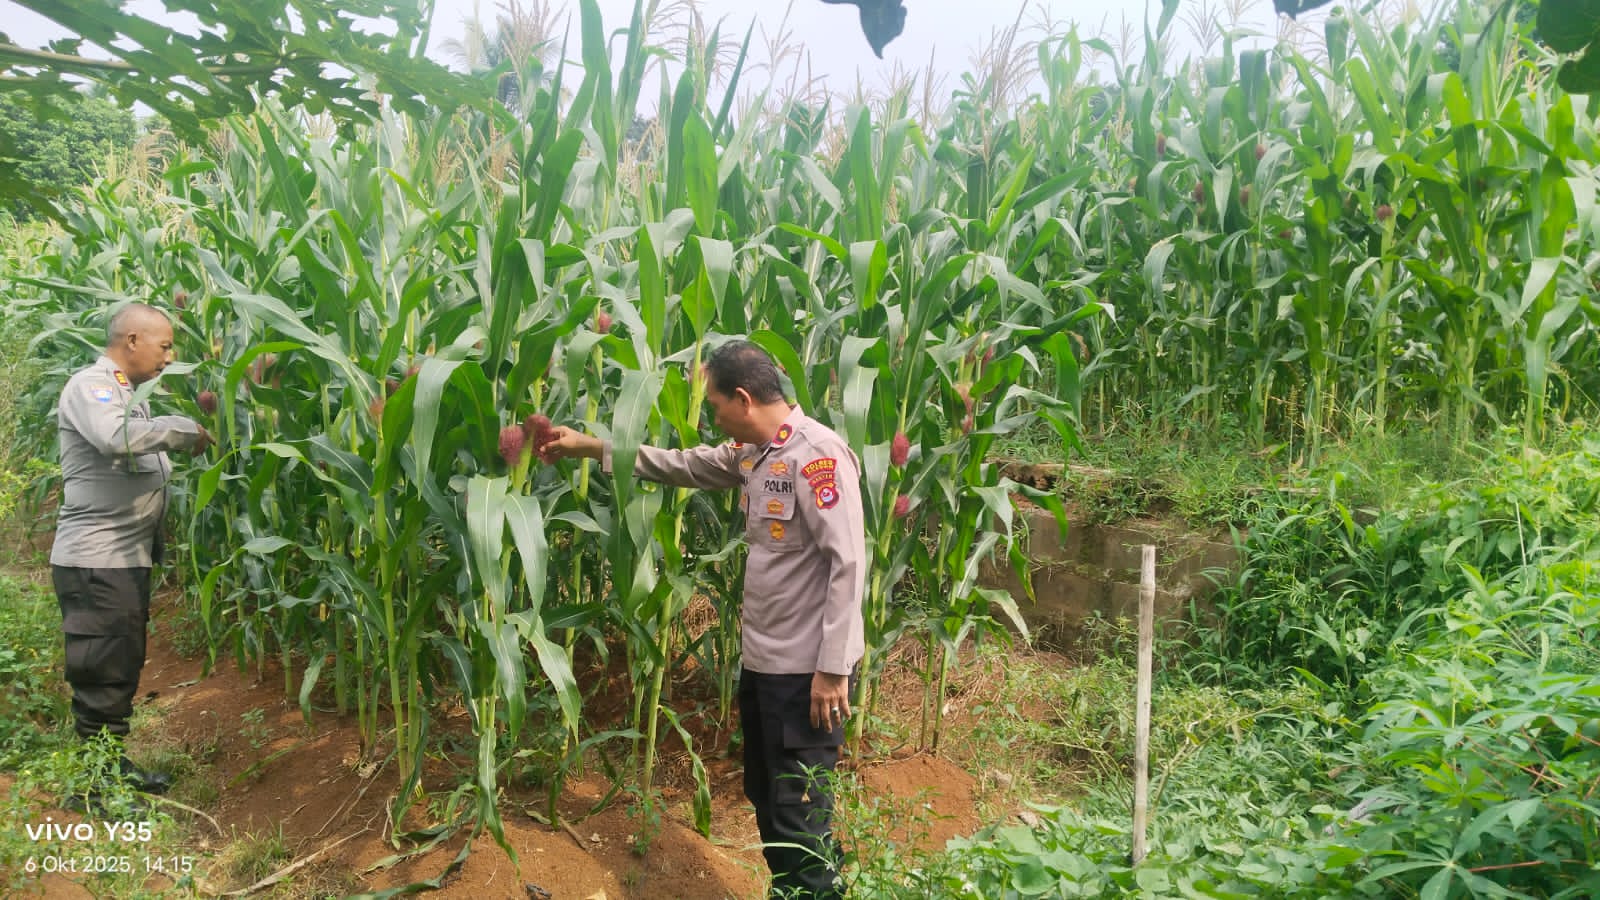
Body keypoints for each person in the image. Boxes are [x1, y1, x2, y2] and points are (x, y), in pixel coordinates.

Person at [539, 340, 866, 899]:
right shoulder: (754, 454)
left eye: (715, 405)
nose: (713, 418)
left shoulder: (817, 457)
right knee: (769, 800)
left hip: (808, 676)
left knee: (799, 810)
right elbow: (681, 465)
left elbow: (849, 563)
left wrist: (834, 669)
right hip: (764, 667)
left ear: (743, 399)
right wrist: (590, 447)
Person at [51, 303, 211, 796]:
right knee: (103, 668)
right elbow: (113, 437)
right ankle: (96, 789)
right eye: (165, 346)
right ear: (133, 341)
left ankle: (111, 767)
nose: (170, 357)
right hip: (96, 560)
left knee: (117, 666)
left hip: (120, 561)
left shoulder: (129, 395)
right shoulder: (92, 386)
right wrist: (183, 429)